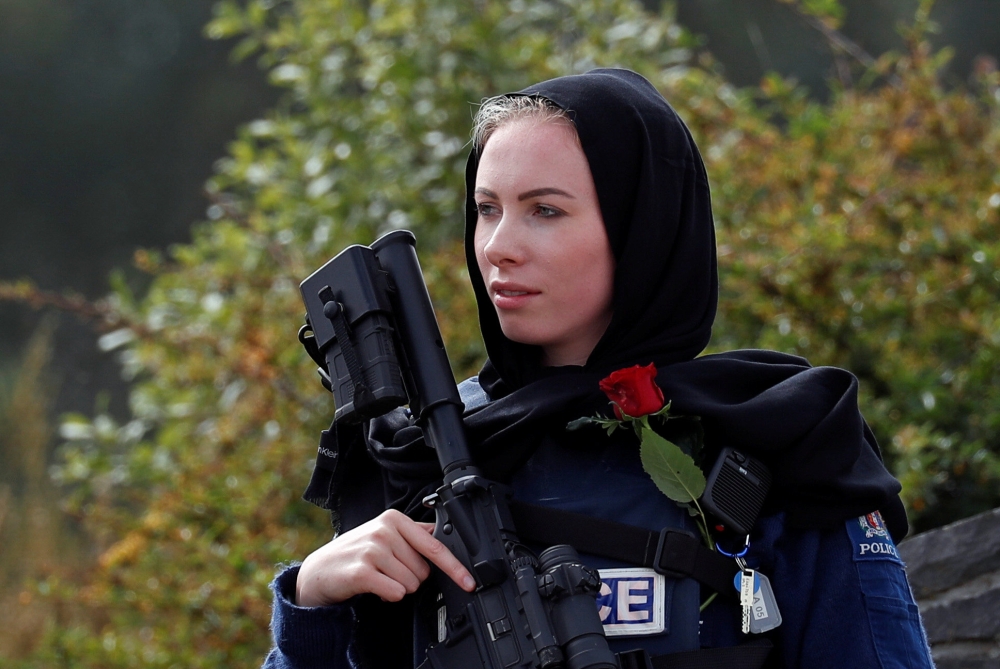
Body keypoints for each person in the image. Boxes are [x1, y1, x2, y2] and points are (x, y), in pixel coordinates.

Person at [263, 69, 934, 669]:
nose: (498, 247)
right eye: (487, 209)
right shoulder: (424, 455)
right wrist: (312, 604)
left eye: (545, 211)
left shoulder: (781, 440)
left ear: (641, 227)